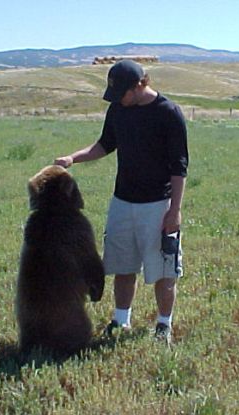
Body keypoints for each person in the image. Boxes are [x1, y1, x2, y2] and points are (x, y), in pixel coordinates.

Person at [54, 59, 188, 344]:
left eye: (121, 94)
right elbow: (104, 144)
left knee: (163, 270)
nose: (118, 101)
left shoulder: (168, 113)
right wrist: (73, 158)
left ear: (140, 85)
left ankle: (164, 325)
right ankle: (120, 320)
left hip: (158, 204)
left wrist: (174, 211)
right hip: (122, 202)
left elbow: (179, 167)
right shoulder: (118, 109)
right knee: (123, 265)